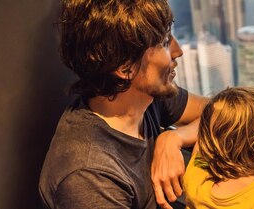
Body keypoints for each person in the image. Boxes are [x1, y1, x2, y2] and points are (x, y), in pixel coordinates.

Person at [38, 0, 207, 208]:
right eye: (164, 42)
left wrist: (174, 138)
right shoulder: (89, 176)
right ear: (125, 68)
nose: (177, 50)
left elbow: (220, 112)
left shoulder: (147, 96)